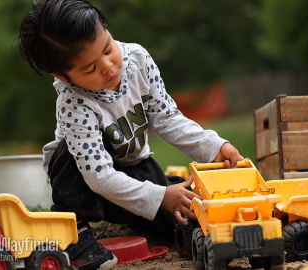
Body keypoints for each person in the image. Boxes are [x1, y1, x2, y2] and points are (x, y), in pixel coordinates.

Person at [17, 0, 244, 269]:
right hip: (88, 182)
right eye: (89, 68)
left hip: (133, 169)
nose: (108, 66)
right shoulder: (73, 104)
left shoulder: (137, 59)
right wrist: (158, 196)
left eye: (108, 48)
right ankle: (74, 232)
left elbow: (168, 118)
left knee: (180, 217)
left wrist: (213, 146)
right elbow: (98, 176)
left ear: (107, 30)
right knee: (66, 153)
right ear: (63, 76)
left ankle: (171, 187)